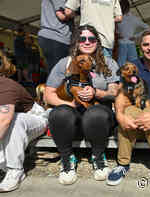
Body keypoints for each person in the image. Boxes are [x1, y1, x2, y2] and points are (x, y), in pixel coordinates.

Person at [44, 25, 120, 185]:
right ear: (76, 42)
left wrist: (96, 93)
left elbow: (114, 92)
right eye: (82, 39)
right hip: (74, 115)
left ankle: (98, 157)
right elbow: (48, 94)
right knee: (59, 113)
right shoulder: (65, 63)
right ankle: (67, 159)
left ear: (97, 43)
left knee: (95, 113)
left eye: (91, 39)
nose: (87, 42)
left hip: (99, 115)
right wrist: (69, 104)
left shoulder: (107, 63)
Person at [107, 29, 150, 189]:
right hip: (136, 109)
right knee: (127, 113)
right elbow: (121, 95)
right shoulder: (132, 66)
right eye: (146, 44)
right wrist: (120, 116)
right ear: (141, 47)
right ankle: (123, 164)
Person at [0, 67, 48, 192]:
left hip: (34, 118)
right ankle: (3, 164)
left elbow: (4, 120)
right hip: (7, 123)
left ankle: (15, 170)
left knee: (15, 120)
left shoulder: (6, 86)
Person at [38, 0, 73, 76]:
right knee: (58, 74)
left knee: (54, 73)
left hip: (52, 37)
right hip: (56, 37)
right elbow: (62, 15)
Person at [117, 0, 150, 66]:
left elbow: (148, 28)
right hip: (122, 44)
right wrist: (117, 35)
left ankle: (132, 75)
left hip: (129, 44)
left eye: (122, 7)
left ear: (127, 7)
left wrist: (136, 36)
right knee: (122, 64)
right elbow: (115, 29)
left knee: (132, 64)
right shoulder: (118, 18)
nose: (121, 8)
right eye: (121, 7)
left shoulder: (134, 18)